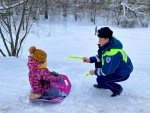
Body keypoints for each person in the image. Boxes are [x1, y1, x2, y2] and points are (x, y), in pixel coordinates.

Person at [83, 27, 133, 97]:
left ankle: (117, 89)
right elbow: (101, 57)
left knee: (100, 79)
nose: (98, 41)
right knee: (98, 63)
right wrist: (90, 60)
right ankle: (103, 84)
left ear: (107, 40)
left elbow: (106, 72)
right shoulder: (109, 44)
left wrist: (94, 72)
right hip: (115, 68)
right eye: (98, 39)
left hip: (123, 73)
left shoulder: (112, 54)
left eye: (100, 40)